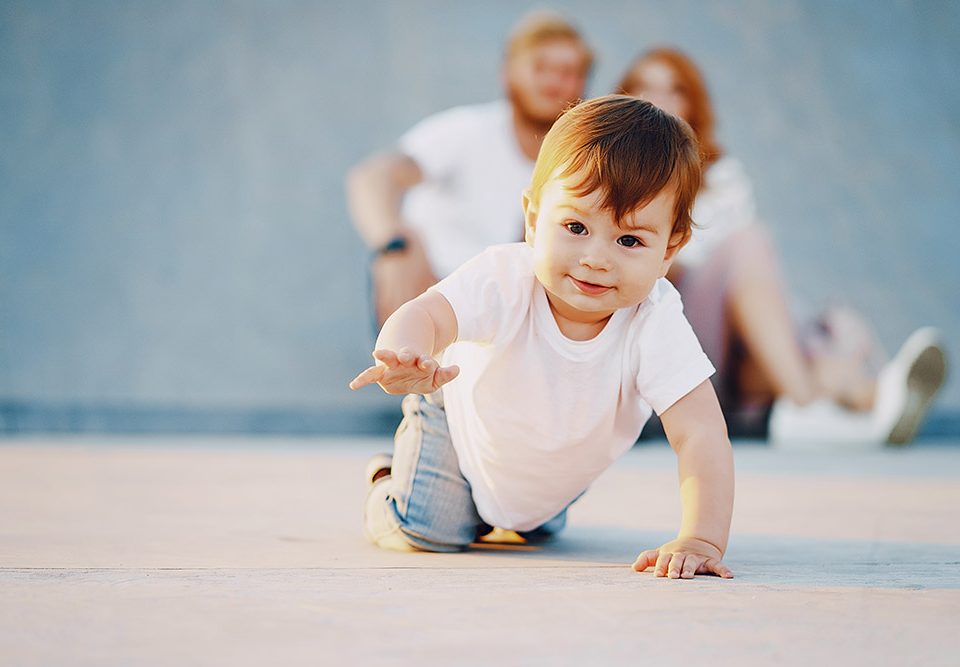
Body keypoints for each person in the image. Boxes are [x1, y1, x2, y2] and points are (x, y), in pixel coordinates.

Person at [350, 95, 735, 579]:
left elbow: (700, 432)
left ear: (669, 251)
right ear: (533, 220)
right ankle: (388, 484)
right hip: (461, 427)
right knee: (434, 529)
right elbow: (428, 313)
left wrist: (701, 537)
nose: (596, 257)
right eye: (575, 226)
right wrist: (406, 352)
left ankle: (509, 512)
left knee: (533, 528)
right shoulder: (504, 278)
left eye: (630, 240)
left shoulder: (654, 320)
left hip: (549, 470)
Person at [617, 47, 947, 445]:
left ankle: (868, 401)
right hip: (670, 334)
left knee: (761, 293)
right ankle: (836, 401)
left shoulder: (721, 179)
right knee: (749, 242)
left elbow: (748, 289)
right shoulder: (615, 174)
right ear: (626, 97)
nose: (659, 100)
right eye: (645, 88)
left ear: (692, 101)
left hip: (732, 359)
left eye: (673, 89)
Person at [346, 10, 592, 327]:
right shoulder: (467, 131)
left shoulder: (585, 160)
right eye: (540, 67)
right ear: (507, 73)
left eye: (569, 71)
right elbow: (373, 177)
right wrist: (394, 244)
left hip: (511, 313)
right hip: (428, 292)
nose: (554, 81)